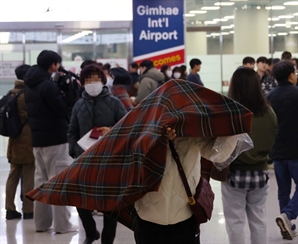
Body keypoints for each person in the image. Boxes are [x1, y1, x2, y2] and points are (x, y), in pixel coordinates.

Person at [68, 64, 127, 244]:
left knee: (110, 203)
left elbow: (128, 127)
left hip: (110, 160)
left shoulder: (114, 102)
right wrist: (76, 151)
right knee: (79, 199)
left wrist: (111, 130)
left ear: (102, 81)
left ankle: (107, 239)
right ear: (82, 82)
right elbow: (72, 132)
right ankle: (90, 232)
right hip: (84, 160)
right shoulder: (79, 105)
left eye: (95, 79)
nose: (92, 83)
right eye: (87, 79)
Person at [221, 67, 278, 244]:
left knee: (235, 222)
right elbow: (273, 137)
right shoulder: (268, 112)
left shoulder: (229, 112)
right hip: (260, 173)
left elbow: (219, 143)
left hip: (233, 174)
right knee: (259, 220)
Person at [24, 50, 76, 234]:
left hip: (38, 141)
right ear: (53, 65)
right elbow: (60, 110)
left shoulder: (30, 84)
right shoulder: (47, 85)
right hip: (56, 139)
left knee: (42, 182)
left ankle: (41, 224)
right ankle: (63, 225)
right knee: (59, 181)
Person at [267, 61, 298, 240]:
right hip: (296, 151)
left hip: (277, 151)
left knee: (283, 190)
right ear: (291, 75)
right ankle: (288, 216)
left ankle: (287, 226)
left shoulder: (269, 97)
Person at [5, 64, 35, 220]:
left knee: (13, 174)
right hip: (27, 138)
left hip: (14, 138)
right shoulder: (27, 95)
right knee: (29, 174)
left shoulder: (11, 93)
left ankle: (10, 208)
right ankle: (29, 210)